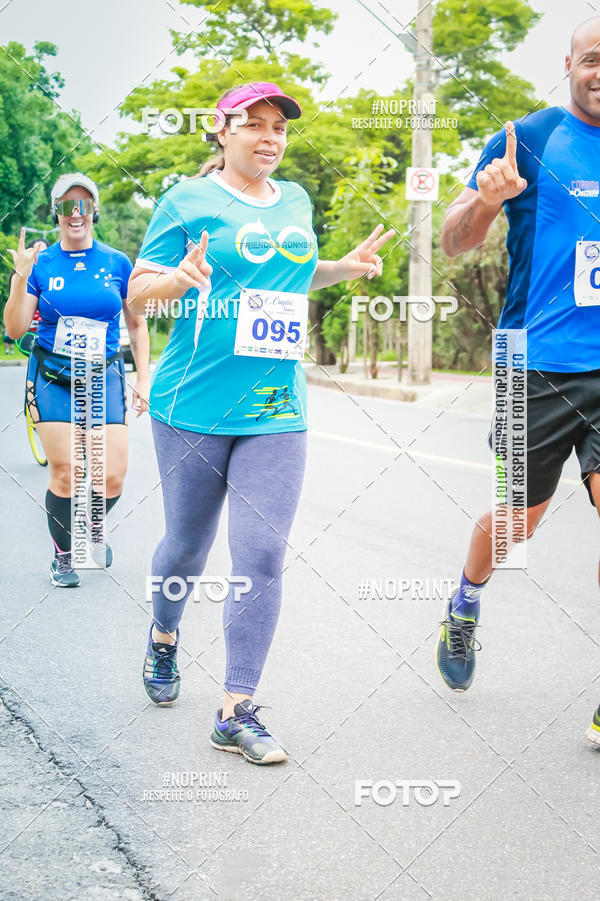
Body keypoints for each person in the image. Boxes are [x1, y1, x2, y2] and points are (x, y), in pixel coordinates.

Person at [127, 81, 394, 764]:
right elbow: (138, 287)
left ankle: (236, 709)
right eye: (255, 125)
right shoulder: (187, 200)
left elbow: (290, 278)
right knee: (187, 546)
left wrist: (343, 266)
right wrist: (178, 280)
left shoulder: (297, 200)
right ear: (222, 132)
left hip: (276, 407)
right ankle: (163, 634)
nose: (270, 137)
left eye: (279, 127)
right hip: (192, 403)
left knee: (263, 554)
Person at [436, 15, 600, 743]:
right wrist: (488, 200)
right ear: (569, 62)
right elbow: (453, 241)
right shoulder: (528, 138)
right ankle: (465, 604)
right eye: (593, 59)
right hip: (531, 366)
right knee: (516, 522)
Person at [3, 173, 150, 587]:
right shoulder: (41, 263)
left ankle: (88, 524)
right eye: (67, 206)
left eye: (84, 205)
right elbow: (14, 328)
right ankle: (64, 554)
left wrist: (144, 378)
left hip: (104, 373)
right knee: (67, 470)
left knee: (113, 476)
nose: (76, 213)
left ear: (95, 210)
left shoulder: (118, 262)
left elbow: (137, 326)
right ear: (57, 212)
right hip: (53, 374)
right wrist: (20, 275)